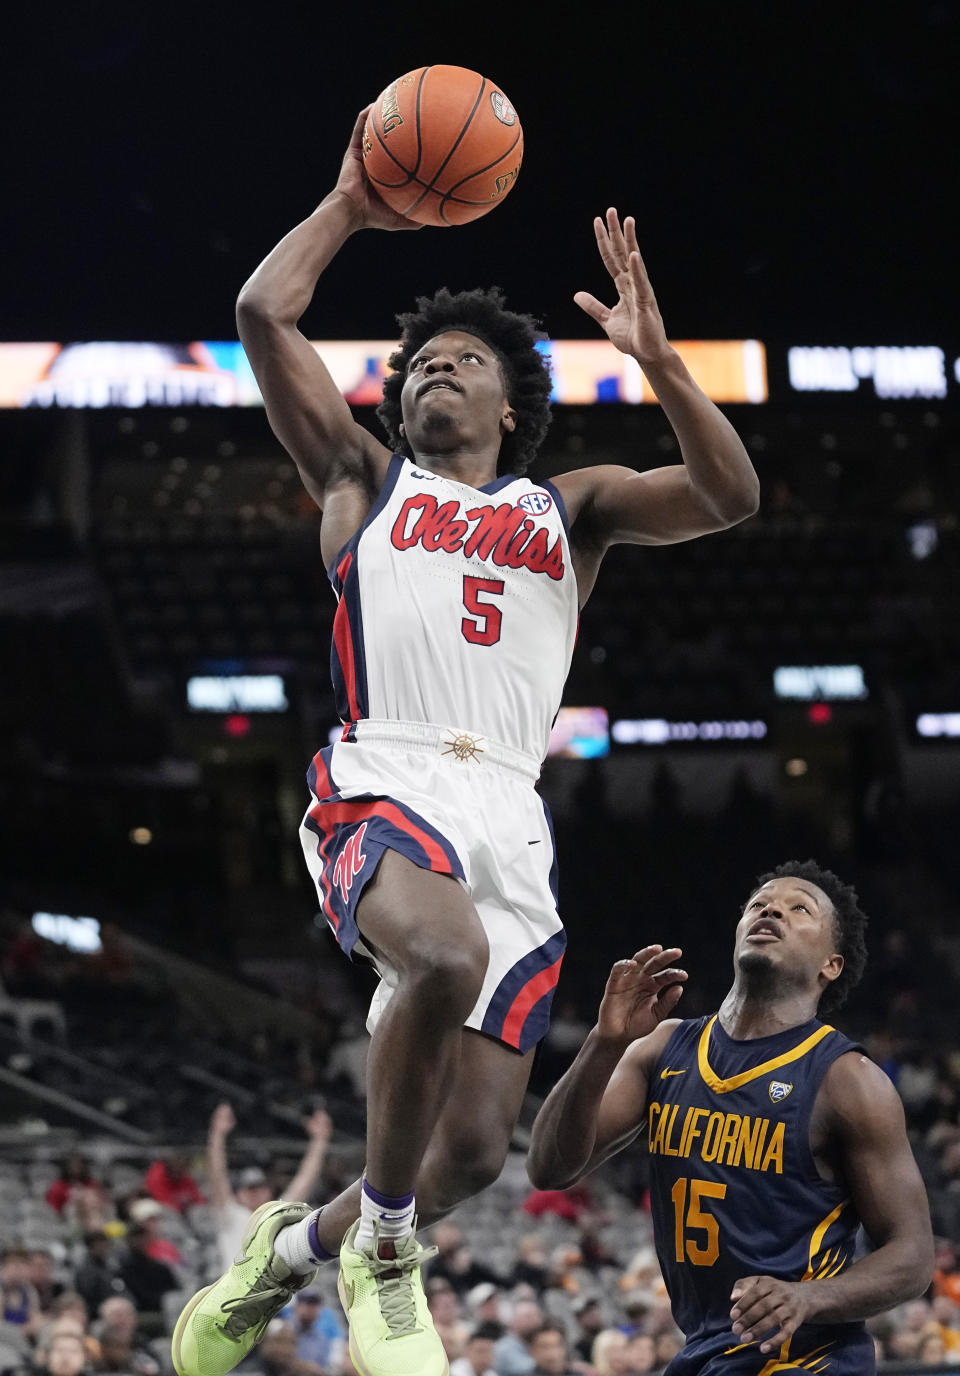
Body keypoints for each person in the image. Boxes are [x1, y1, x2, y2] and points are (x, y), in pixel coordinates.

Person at [172, 102, 760, 1376]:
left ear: (511, 398)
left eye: (464, 358)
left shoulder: (572, 508)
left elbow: (729, 496)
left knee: (478, 1149)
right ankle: (385, 1252)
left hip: (511, 811)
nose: (437, 364)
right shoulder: (361, 478)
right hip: (384, 768)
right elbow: (263, 317)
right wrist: (347, 204)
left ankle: (284, 1255)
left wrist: (661, 361)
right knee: (437, 957)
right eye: (422, 357)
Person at [527, 860, 935, 1374]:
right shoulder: (663, 1047)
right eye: (760, 904)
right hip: (705, 1351)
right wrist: (603, 1043)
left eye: (799, 908)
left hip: (805, 1357)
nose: (772, 911)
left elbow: (914, 1257)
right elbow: (549, 1167)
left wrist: (807, 1298)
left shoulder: (846, 1079)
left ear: (831, 965)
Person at [205, 1103, 333, 1272]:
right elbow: (217, 1174)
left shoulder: (276, 1215)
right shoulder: (231, 1214)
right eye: (250, 1188)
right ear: (239, 1195)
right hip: (239, 1294)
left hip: (276, 1294)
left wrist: (320, 1140)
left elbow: (304, 1180)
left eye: (259, 1187)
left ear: (269, 1190)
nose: (256, 1193)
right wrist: (217, 1134)